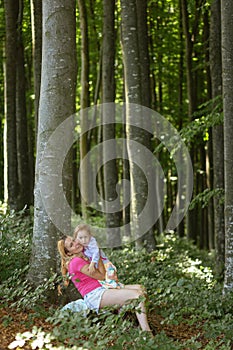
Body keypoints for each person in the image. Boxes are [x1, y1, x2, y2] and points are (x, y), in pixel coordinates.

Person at [57, 235, 152, 333]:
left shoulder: (84, 256)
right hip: (95, 295)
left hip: (103, 287)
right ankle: (146, 332)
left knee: (141, 288)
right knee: (138, 296)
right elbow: (101, 276)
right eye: (71, 245)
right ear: (68, 253)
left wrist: (112, 276)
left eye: (74, 240)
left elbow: (104, 274)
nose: (76, 243)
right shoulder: (76, 262)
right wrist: (96, 254)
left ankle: (126, 320)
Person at [73, 224, 123, 289]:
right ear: (76, 238)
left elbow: (96, 252)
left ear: (90, 236)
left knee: (110, 282)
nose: (84, 240)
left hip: (105, 265)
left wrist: (92, 264)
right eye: (80, 238)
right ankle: (120, 288)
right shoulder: (81, 245)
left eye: (86, 237)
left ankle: (121, 290)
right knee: (107, 283)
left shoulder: (92, 243)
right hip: (98, 268)